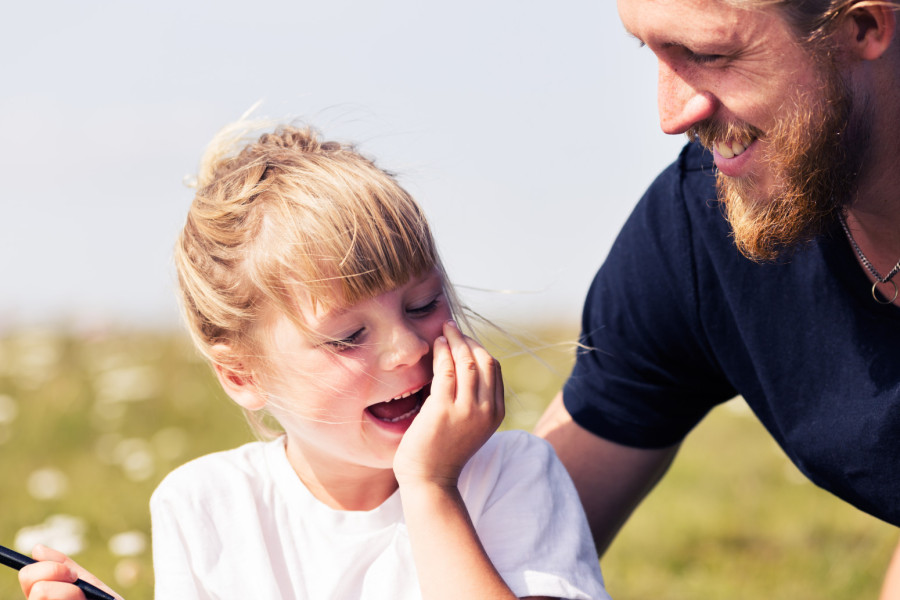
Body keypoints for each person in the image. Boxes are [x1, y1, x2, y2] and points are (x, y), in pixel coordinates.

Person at [19, 123, 610, 600]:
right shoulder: (208, 504)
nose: (407, 349)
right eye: (348, 336)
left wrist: (429, 487)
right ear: (240, 375)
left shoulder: (514, 475)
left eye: (424, 304)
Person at [535, 0, 900, 594]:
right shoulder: (702, 228)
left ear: (864, 26)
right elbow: (522, 535)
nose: (672, 116)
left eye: (710, 55)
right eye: (649, 50)